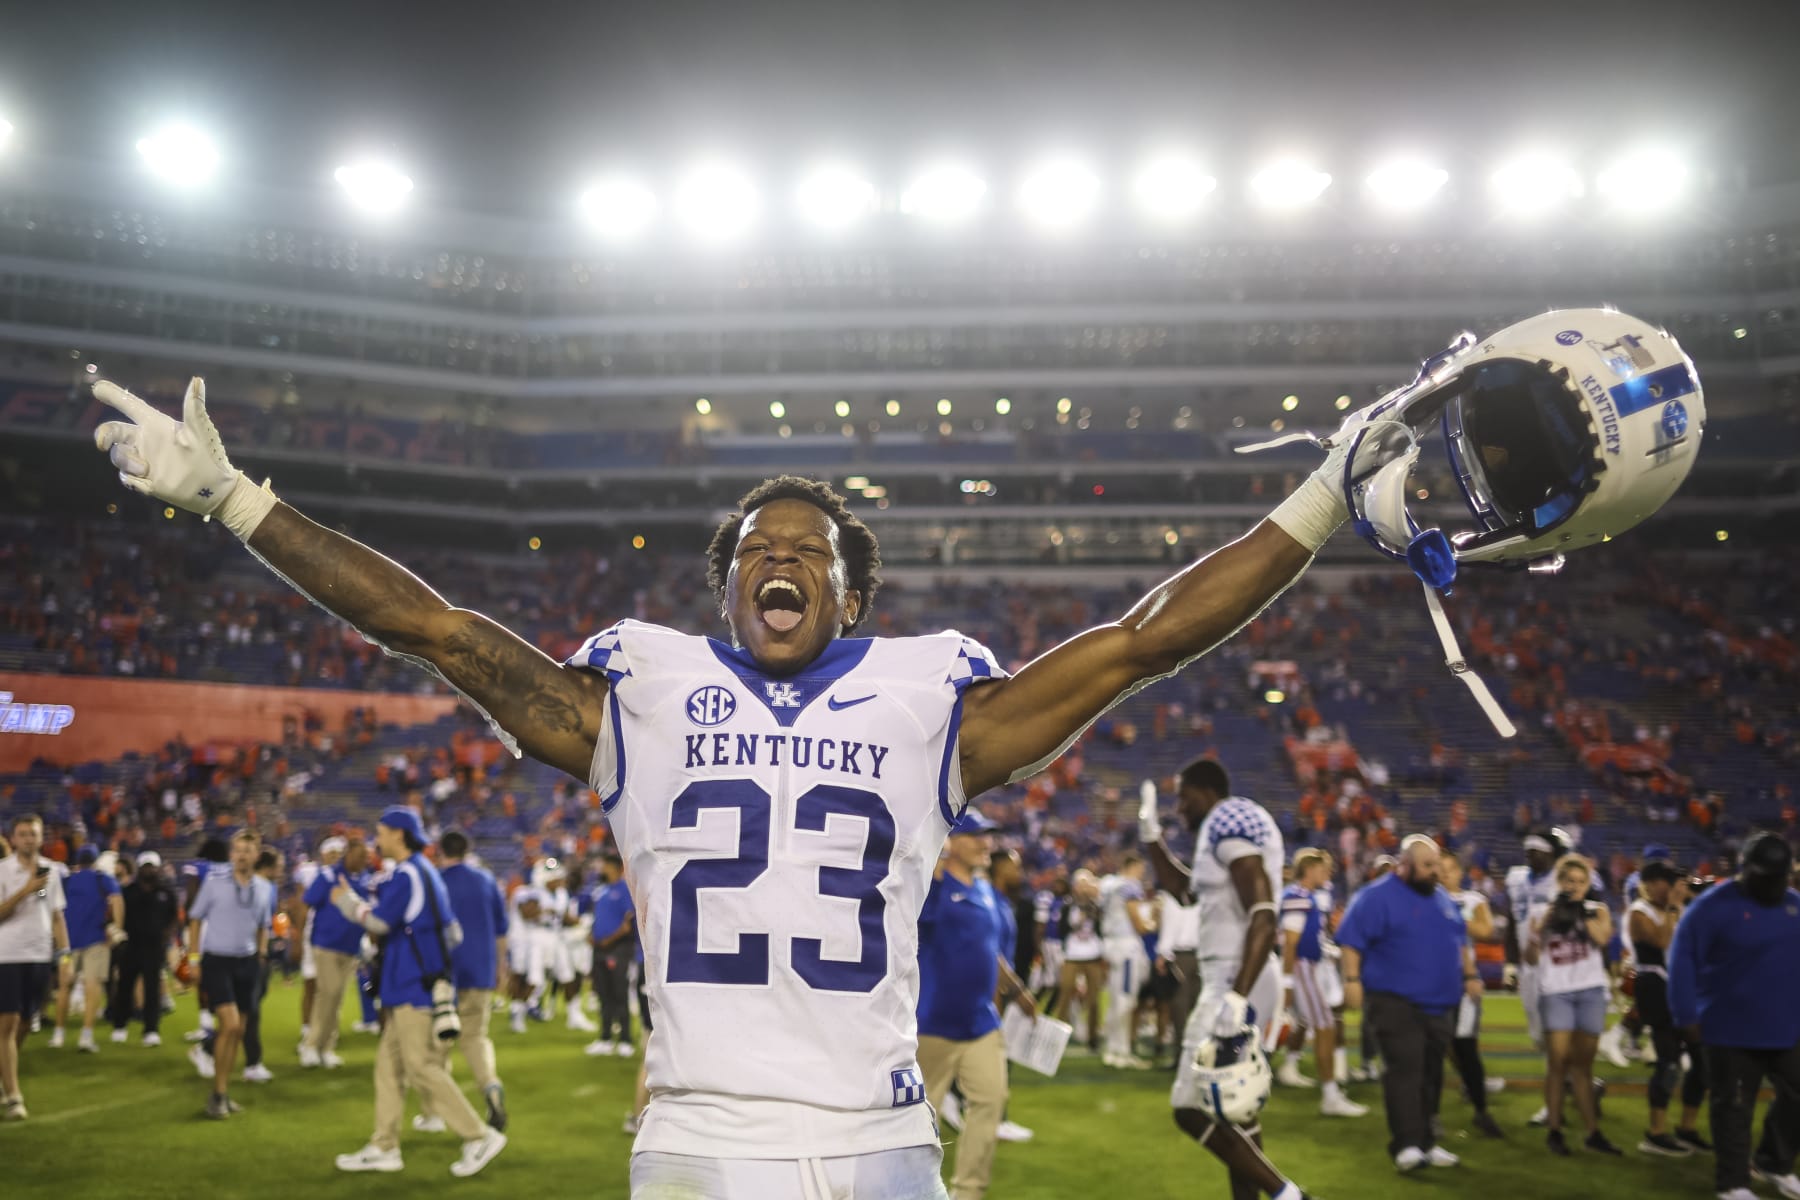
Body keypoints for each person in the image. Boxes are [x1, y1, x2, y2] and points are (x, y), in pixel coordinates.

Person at [92, 374, 1355, 1198]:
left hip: (880, 1139)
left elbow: (1144, 640)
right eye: (758, 552)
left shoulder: (931, 698)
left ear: (853, 595)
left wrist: (1318, 499)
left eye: (809, 551)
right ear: (728, 586)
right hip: (698, 1140)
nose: (781, 561)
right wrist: (238, 502)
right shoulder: (640, 689)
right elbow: (437, 629)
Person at [1144, 759, 1309, 1200]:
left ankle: (1287, 1194)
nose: (1179, 807)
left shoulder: (1231, 815)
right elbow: (1184, 892)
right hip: (1238, 976)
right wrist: (1151, 839)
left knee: (1188, 1107)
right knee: (1232, 1109)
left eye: (1184, 796)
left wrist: (1236, 995)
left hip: (1238, 978)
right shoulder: (1215, 830)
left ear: (1205, 789)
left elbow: (1263, 911)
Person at [330, 807, 508, 1177]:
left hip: (413, 985)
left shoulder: (408, 874)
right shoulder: (427, 873)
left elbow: (379, 922)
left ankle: (478, 1135)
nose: (377, 839)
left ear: (398, 834)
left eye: (381, 832)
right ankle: (384, 1146)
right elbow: (452, 932)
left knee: (421, 1066)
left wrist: (347, 902)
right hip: (414, 983)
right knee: (388, 1067)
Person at [1669, 833, 1800, 1200]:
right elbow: (1682, 962)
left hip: (1786, 1026)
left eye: (1780, 877)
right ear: (1745, 870)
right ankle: (1733, 1184)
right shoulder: (1711, 907)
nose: (1774, 884)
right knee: (1733, 1107)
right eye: (1766, 876)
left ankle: (1774, 1162)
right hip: (1728, 1028)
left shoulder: (1796, 906)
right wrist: (1685, 1015)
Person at [1336, 835, 1476, 1172]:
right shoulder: (1376, 896)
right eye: (1427, 866)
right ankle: (1407, 1145)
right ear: (1405, 865)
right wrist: (1352, 980)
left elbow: (1460, 941)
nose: (1435, 872)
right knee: (1404, 1071)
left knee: (1431, 1073)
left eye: (1437, 866)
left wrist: (1471, 976)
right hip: (1394, 1001)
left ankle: (1427, 1141)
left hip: (1439, 1003)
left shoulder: (1441, 897)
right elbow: (1351, 941)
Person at [917, 811, 1037, 1200]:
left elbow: (992, 953)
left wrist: (1017, 990)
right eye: (977, 836)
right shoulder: (933, 886)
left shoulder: (987, 891)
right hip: (933, 1021)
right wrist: (936, 853)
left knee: (990, 1102)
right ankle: (911, 1190)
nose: (987, 843)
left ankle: (968, 1192)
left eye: (989, 836)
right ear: (952, 841)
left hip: (981, 1021)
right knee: (917, 1119)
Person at [1525, 853, 1621, 1156]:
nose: (1576, 886)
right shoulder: (1542, 910)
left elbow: (1603, 939)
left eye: (1581, 882)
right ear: (1559, 882)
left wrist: (1580, 911)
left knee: (1583, 1066)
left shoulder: (1598, 909)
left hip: (1590, 991)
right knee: (1557, 1062)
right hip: (1557, 991)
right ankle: (1555, 1130)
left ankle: (1592, 1132)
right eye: (1570, 881)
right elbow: (1530, 958)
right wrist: (1544, 926)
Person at [185, 829, 275, 1118]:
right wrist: (194, 958)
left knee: (238, 1030)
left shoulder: (263, 887)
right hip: (217, 960)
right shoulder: (214, 882)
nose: (241, 856)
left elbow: (265, 924)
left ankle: (221, 1093)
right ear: (231, 853)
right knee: (231, 1024)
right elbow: (196, 919)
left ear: (256, 855)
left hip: (247, 962)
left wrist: (261, 953)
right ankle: (218, 1092)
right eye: (237, 850)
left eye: (247, 851)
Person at [425, 830, 510, 1134]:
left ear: (440, 851)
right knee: (475, 1038)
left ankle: (435, 1112)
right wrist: (501, 967)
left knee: (436, 1044)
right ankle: (490, 1085)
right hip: (482, 969)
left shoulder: (434, 880)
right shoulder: (486, 880)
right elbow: (502, 930)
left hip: (444, 973)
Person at [1628, 859, 1709, 1157]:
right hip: (1655, 988)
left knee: (1702, 1060)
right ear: (1649, 883)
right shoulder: (1640, 911)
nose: (1674, 887)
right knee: (1669, 1061)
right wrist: (1675, 907)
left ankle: (1686, 1128)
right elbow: (1663, 940)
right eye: (1667, 881)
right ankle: (1655, 1132)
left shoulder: (1681, 909)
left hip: (1685, 987)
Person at [1280, 848, 1365, 1117]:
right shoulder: (1297, 897)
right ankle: (1330, 1095)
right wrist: (1288, 983)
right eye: (1323, 868)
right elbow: (1290, 944)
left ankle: (1321, 1086)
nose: (1327, 874)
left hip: (1310, 965)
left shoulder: (1306, 897)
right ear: (1309, 869)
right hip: (1302, 967)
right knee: (1325, 1026)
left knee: (1322, 1025)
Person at [0, 814, 70, 1120]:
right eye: (23, 833)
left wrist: (65, 955)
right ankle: (14, 1095)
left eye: (34, 834)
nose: (29, 838)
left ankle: (5, 1071)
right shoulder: (3, 870)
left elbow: (55, 915)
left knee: (27, 1023)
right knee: (8, 1023)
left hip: (40, 955)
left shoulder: (50, 872)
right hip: (8, 955)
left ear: (42, 838)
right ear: (14, 839)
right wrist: (25, 889)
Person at [1438, 846, 1504, 1137]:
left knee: (1465, 1044)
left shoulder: (1472, 899)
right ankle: (1430, 1115)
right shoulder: (1424, 897)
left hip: (1464, 980)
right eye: (1438, 868)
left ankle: (1480, 1109)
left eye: (1449, 868)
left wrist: (1449, 916)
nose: (1443, 874)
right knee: (1435, 1048)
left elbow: (1486, 930)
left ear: (1459, 872)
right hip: (1430, 981)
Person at [299, 835, 371, 1069]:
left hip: (350, 948)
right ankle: (311, 1046)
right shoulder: (329, 875)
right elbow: (308, 901)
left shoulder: (364, 881)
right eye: (360, 856)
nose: (363, 861)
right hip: (326, 945)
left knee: (336, 998)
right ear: (348, 854)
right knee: (327, 994)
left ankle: (326, 1047)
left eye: (365, 857)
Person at [49, 844, 123, 1053]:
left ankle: (58, 1034)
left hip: (67, 944)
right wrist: (117, 928)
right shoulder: (103, 879)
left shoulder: (67, 879)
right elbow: (117, 900)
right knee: (93, 987)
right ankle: (86, 1036)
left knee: (64, 987)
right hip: (96, 940)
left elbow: (45, 897)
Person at [112, 850, 177, 1046]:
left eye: (152, 866)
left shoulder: (166, 893)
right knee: (124, 987)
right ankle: (120, 1025)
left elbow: (173, 919)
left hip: (154, 947)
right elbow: (118, 916)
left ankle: (151, 1029)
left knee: (152, 989)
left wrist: (167, 940)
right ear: (139, 869)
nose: (149, 870)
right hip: (131, 944)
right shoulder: (128, 890)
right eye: (146, 867)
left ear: (157, 868)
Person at [1099, 853, 1155, 1069]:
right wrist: (1156, 920)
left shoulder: (1108, 884)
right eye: (1140, 869)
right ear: (1133, 866)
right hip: (1126, 946)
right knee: (1125, 1001)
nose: (1142, 873)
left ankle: (1113, 1049)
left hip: (1111, 944)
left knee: (1115, 998)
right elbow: (1140, 925)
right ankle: (1120, 1051)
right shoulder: (1130, 885)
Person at [585, 853, 637, 1058]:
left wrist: (610, 939)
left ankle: (625, 1039)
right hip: (599, 948)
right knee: (603, 994)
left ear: (617, 868)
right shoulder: (602, 891)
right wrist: (591, 934)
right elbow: (597, 918)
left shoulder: (625, 889)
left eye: (606, 865)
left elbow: (628, 921)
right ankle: (605, 1037)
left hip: (618, 949)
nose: (602, 869)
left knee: (619, 993)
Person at [1056, 871, 1106, 1050]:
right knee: (1065, 995)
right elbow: (1063, 929)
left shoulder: (1097, 905)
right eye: (1081, 884)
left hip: (1093, 955)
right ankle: (1058, 1039)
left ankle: (1093, 1038)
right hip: (1072, 954)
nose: (1084, 888)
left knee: (1094, 998)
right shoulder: (1068, 905)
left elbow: (1102, 928)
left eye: (1087, 883)